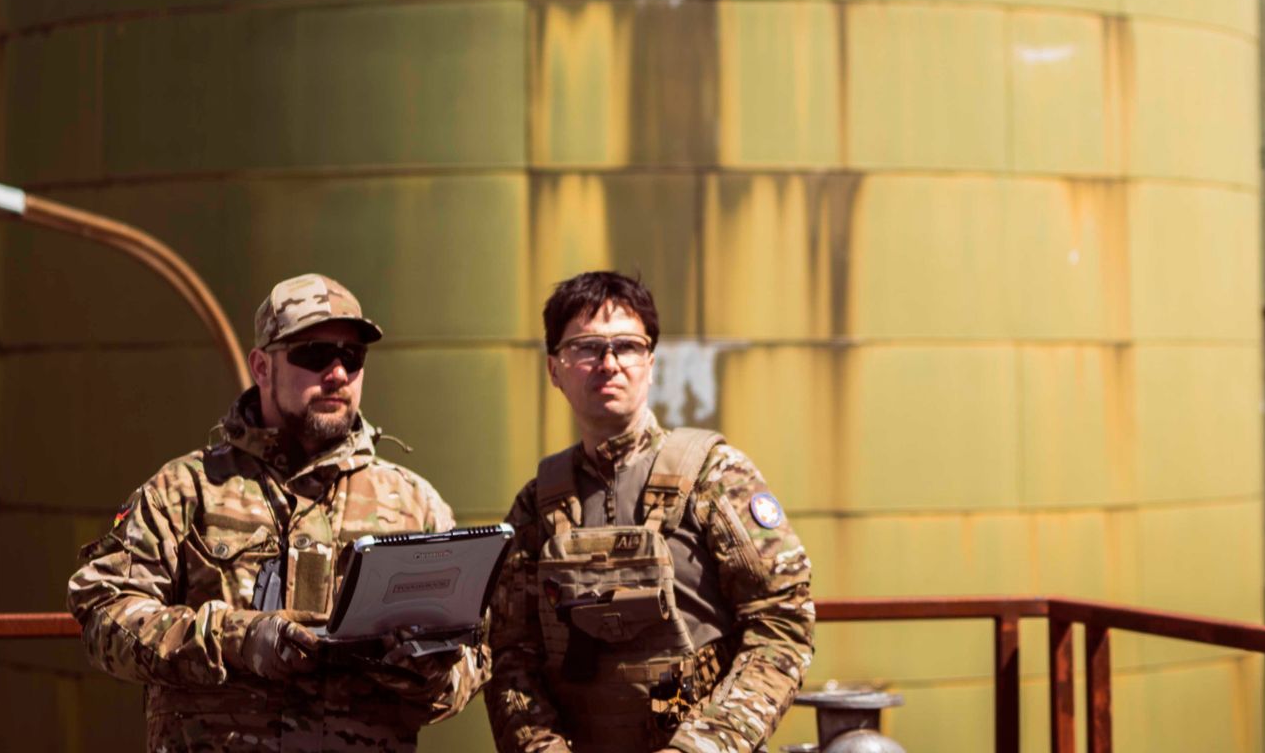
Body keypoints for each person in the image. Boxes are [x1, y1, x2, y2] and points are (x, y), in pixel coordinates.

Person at [69, 272, 487, 751]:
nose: (336, 374)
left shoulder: (415, 504)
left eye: (351, 357)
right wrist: (236, 639)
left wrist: (424, 669)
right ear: (262, 367)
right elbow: (104, 614)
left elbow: (475, 657)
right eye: (313, 354)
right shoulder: (186, 491)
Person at [486, 271, 813, 753]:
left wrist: (705, 744)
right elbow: (510, 654)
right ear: (554, 369)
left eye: (628, 346)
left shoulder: (713, 476)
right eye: (586, 347)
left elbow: (782, 623)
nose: (609, 363)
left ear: (651, 364)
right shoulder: (538, 504)